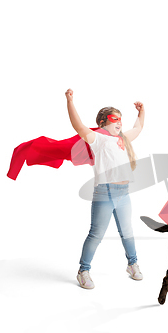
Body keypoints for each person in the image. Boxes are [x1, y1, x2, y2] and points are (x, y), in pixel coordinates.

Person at [65, 88, 145, 289]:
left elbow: (138, 127)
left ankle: (132, 263)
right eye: (113, 119)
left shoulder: (122, 139)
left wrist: (141, 112)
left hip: (124, 194)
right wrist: (70, 101)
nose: (119, 122)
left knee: (127, 231)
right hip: (105, 194)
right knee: (96, 234)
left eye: (120, 119)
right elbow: (78, 126)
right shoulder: (98, 139)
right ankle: (83, 270)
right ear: (102, 123)